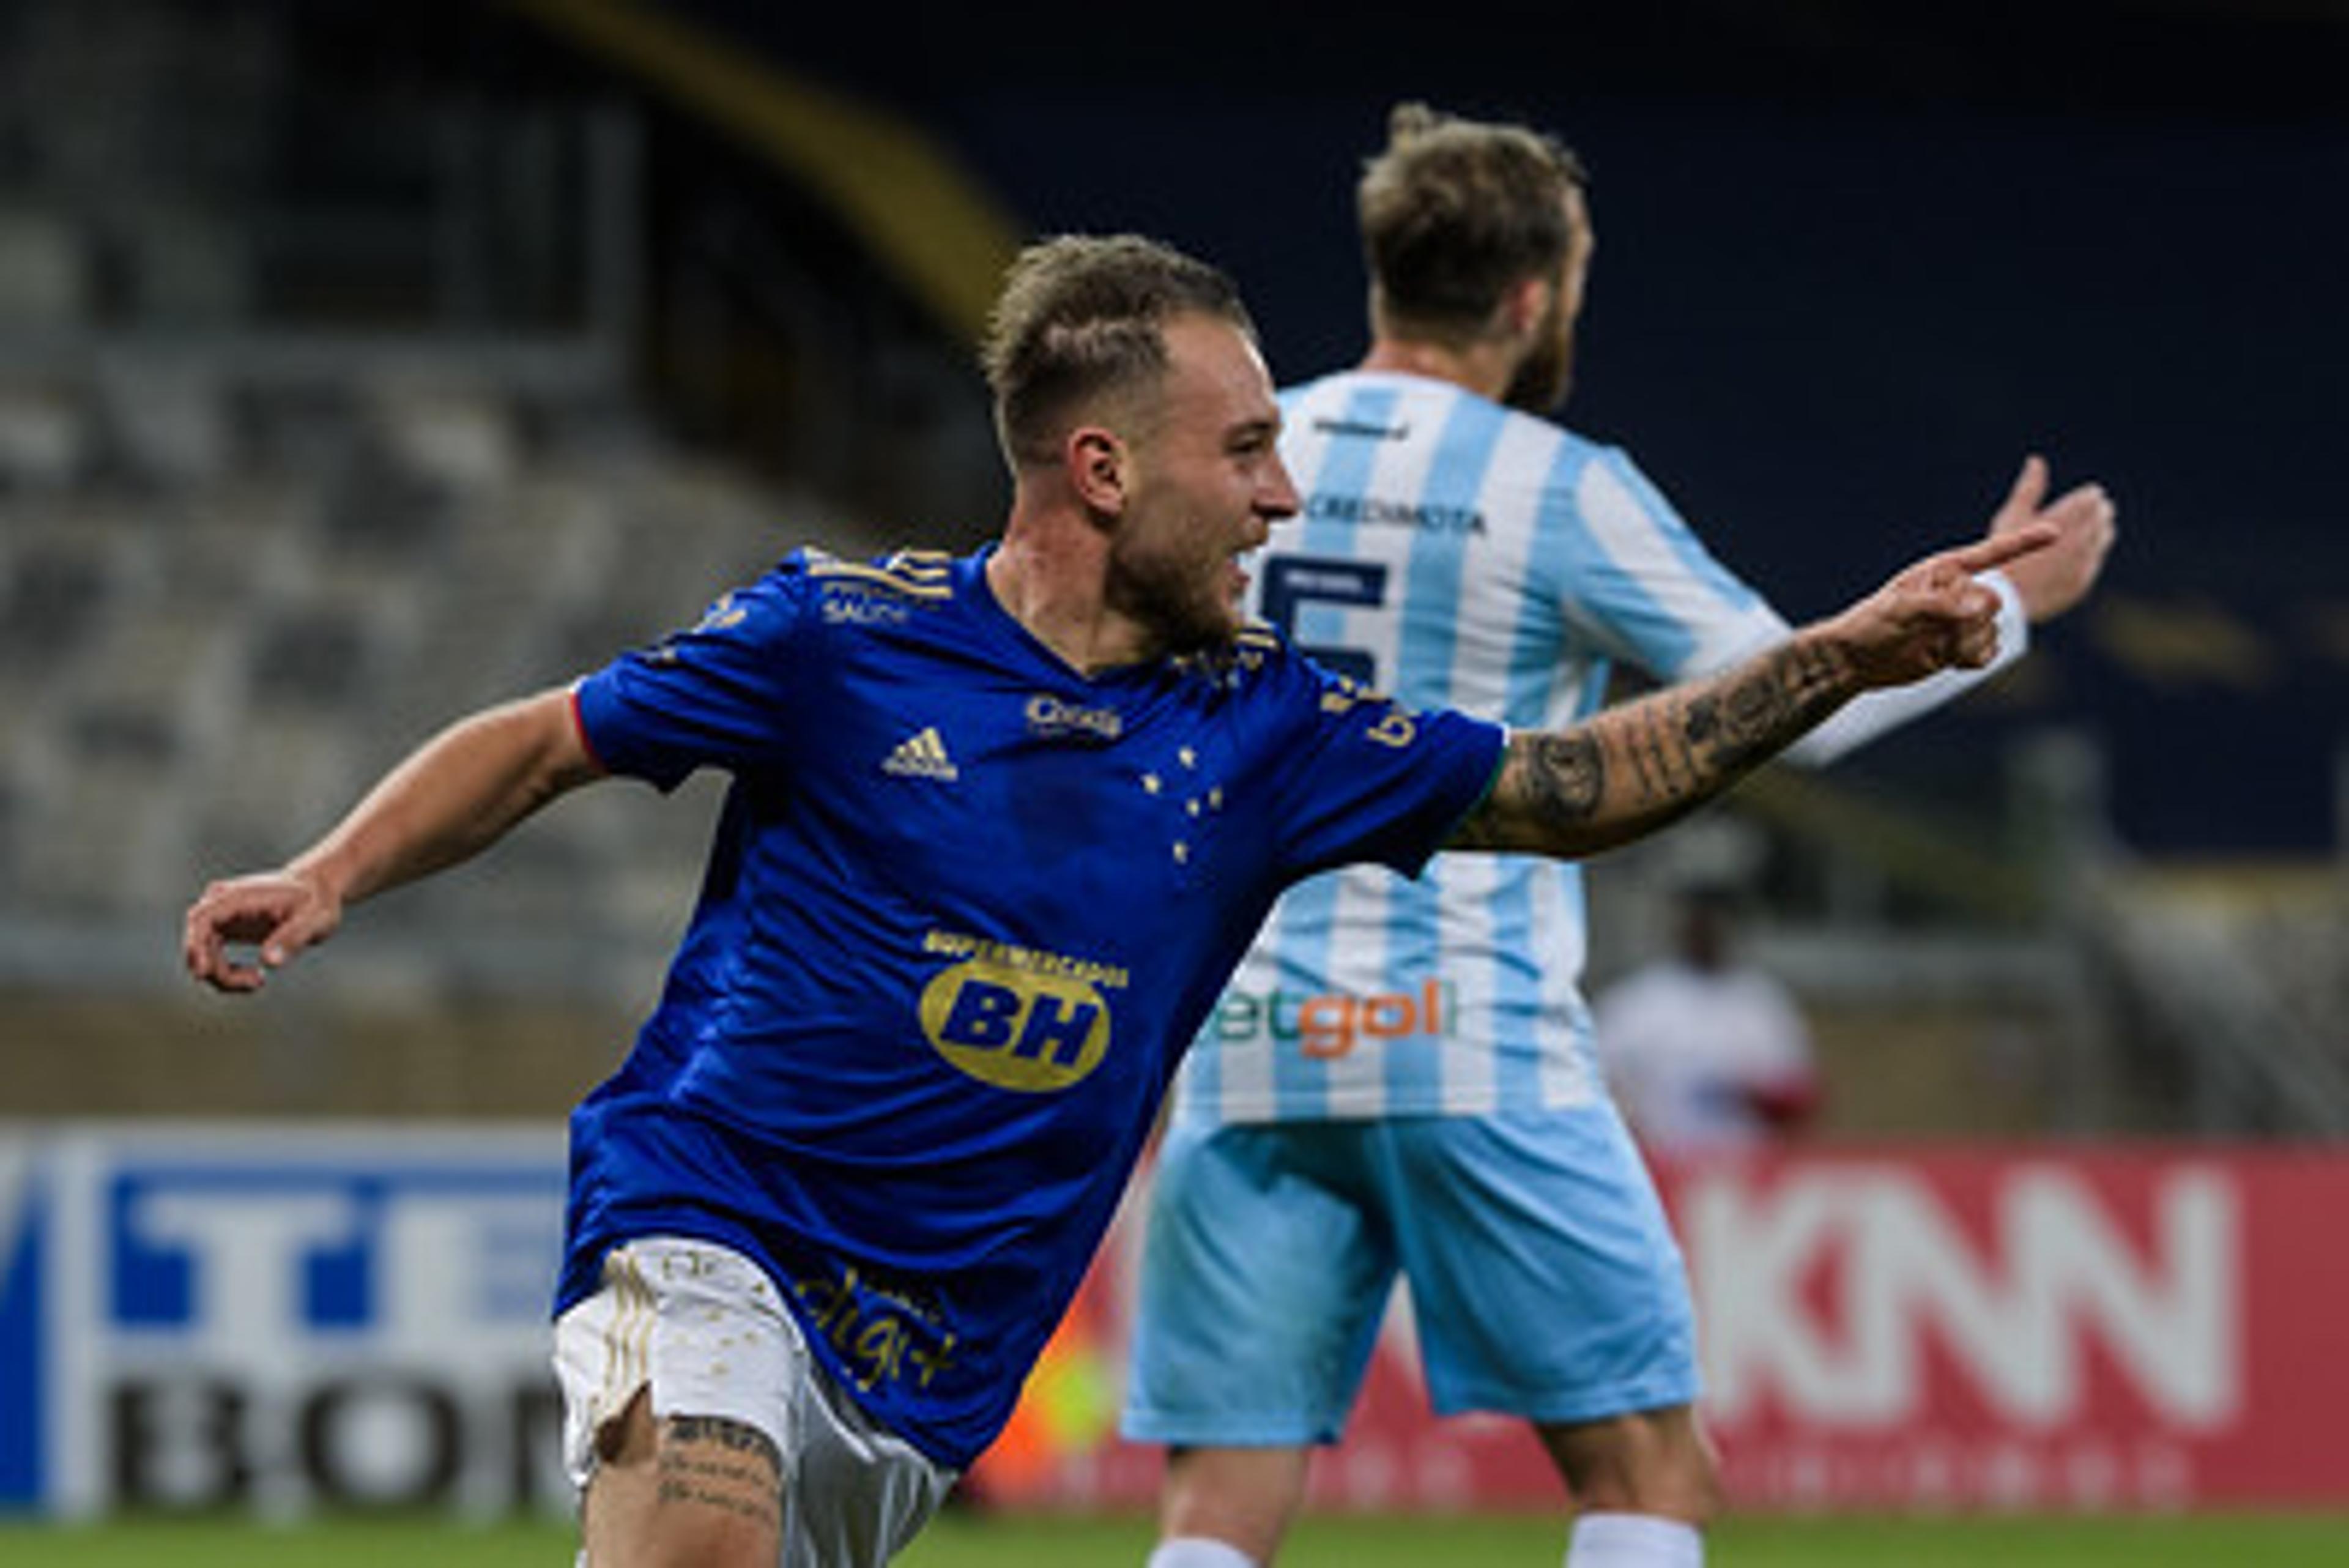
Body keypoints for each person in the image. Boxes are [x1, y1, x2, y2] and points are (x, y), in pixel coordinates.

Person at [181, 231, 2047, 1568]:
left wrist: (1835, 656)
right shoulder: (836, 635)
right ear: (1100, 465)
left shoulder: (1271, 729)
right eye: (1242, 452)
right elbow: (542, 738)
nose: (1281, 493)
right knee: (693, 1534)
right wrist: (330, 868)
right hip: (710, 1218)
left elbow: (1571, 791)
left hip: (932, 1367)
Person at [1119, 106, 2115, 1568]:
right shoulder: (1556, 487)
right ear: (1532, 298)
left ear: (1386, 273)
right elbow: (1804, 703)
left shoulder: (1238, 455)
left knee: (1216, 1511)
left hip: (1242, 1040)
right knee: (1643, 1469)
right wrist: (2021, 608)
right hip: (1469, 1037)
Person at [1594, 880, 1822, 1154]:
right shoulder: (1636, 1001)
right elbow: (1597, 1085)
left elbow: (1800, 1094)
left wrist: (1756, 1096)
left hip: (1744, 1166)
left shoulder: (1762, 1002)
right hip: (1660, 1162)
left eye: (1720, 921)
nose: (1709, 930)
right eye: (1700, 919)